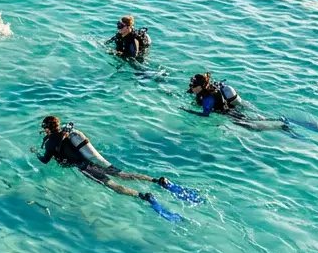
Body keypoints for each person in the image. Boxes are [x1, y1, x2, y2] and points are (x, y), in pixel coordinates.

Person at [33, 116, 198, 219]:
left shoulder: (49, 143)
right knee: (123, 174)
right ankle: (158, 180)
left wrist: (36, 153)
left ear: (47, 128)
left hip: (85, 167)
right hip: (95, 160)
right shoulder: (66, 133)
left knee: (112, 185)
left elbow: (45, 161)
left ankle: (143, 196)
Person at [185, 72, 289, 132]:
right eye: (191, 84)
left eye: (194, 86)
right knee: (249, 119)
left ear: (201, 87)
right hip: (229, 104)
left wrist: (188, 111)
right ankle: (271, 121)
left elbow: (205, 115)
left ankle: (278, 125)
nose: (191, 87)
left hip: (228, 112)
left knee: (248, 124)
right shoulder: (204, 89)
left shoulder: (208, 99)